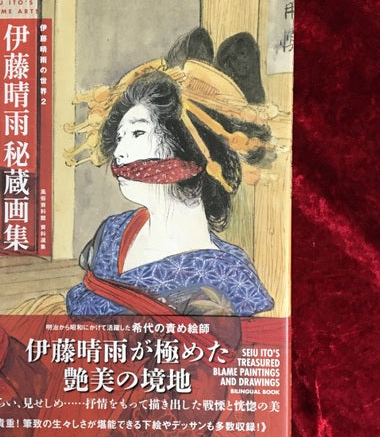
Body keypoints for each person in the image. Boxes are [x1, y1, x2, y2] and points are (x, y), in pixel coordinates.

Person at [66, 65, 274, 317]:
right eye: (120, 138)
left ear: (188, 144)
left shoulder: (230, 274)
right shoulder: (112, 231)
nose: (119, 153)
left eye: (137, 133)